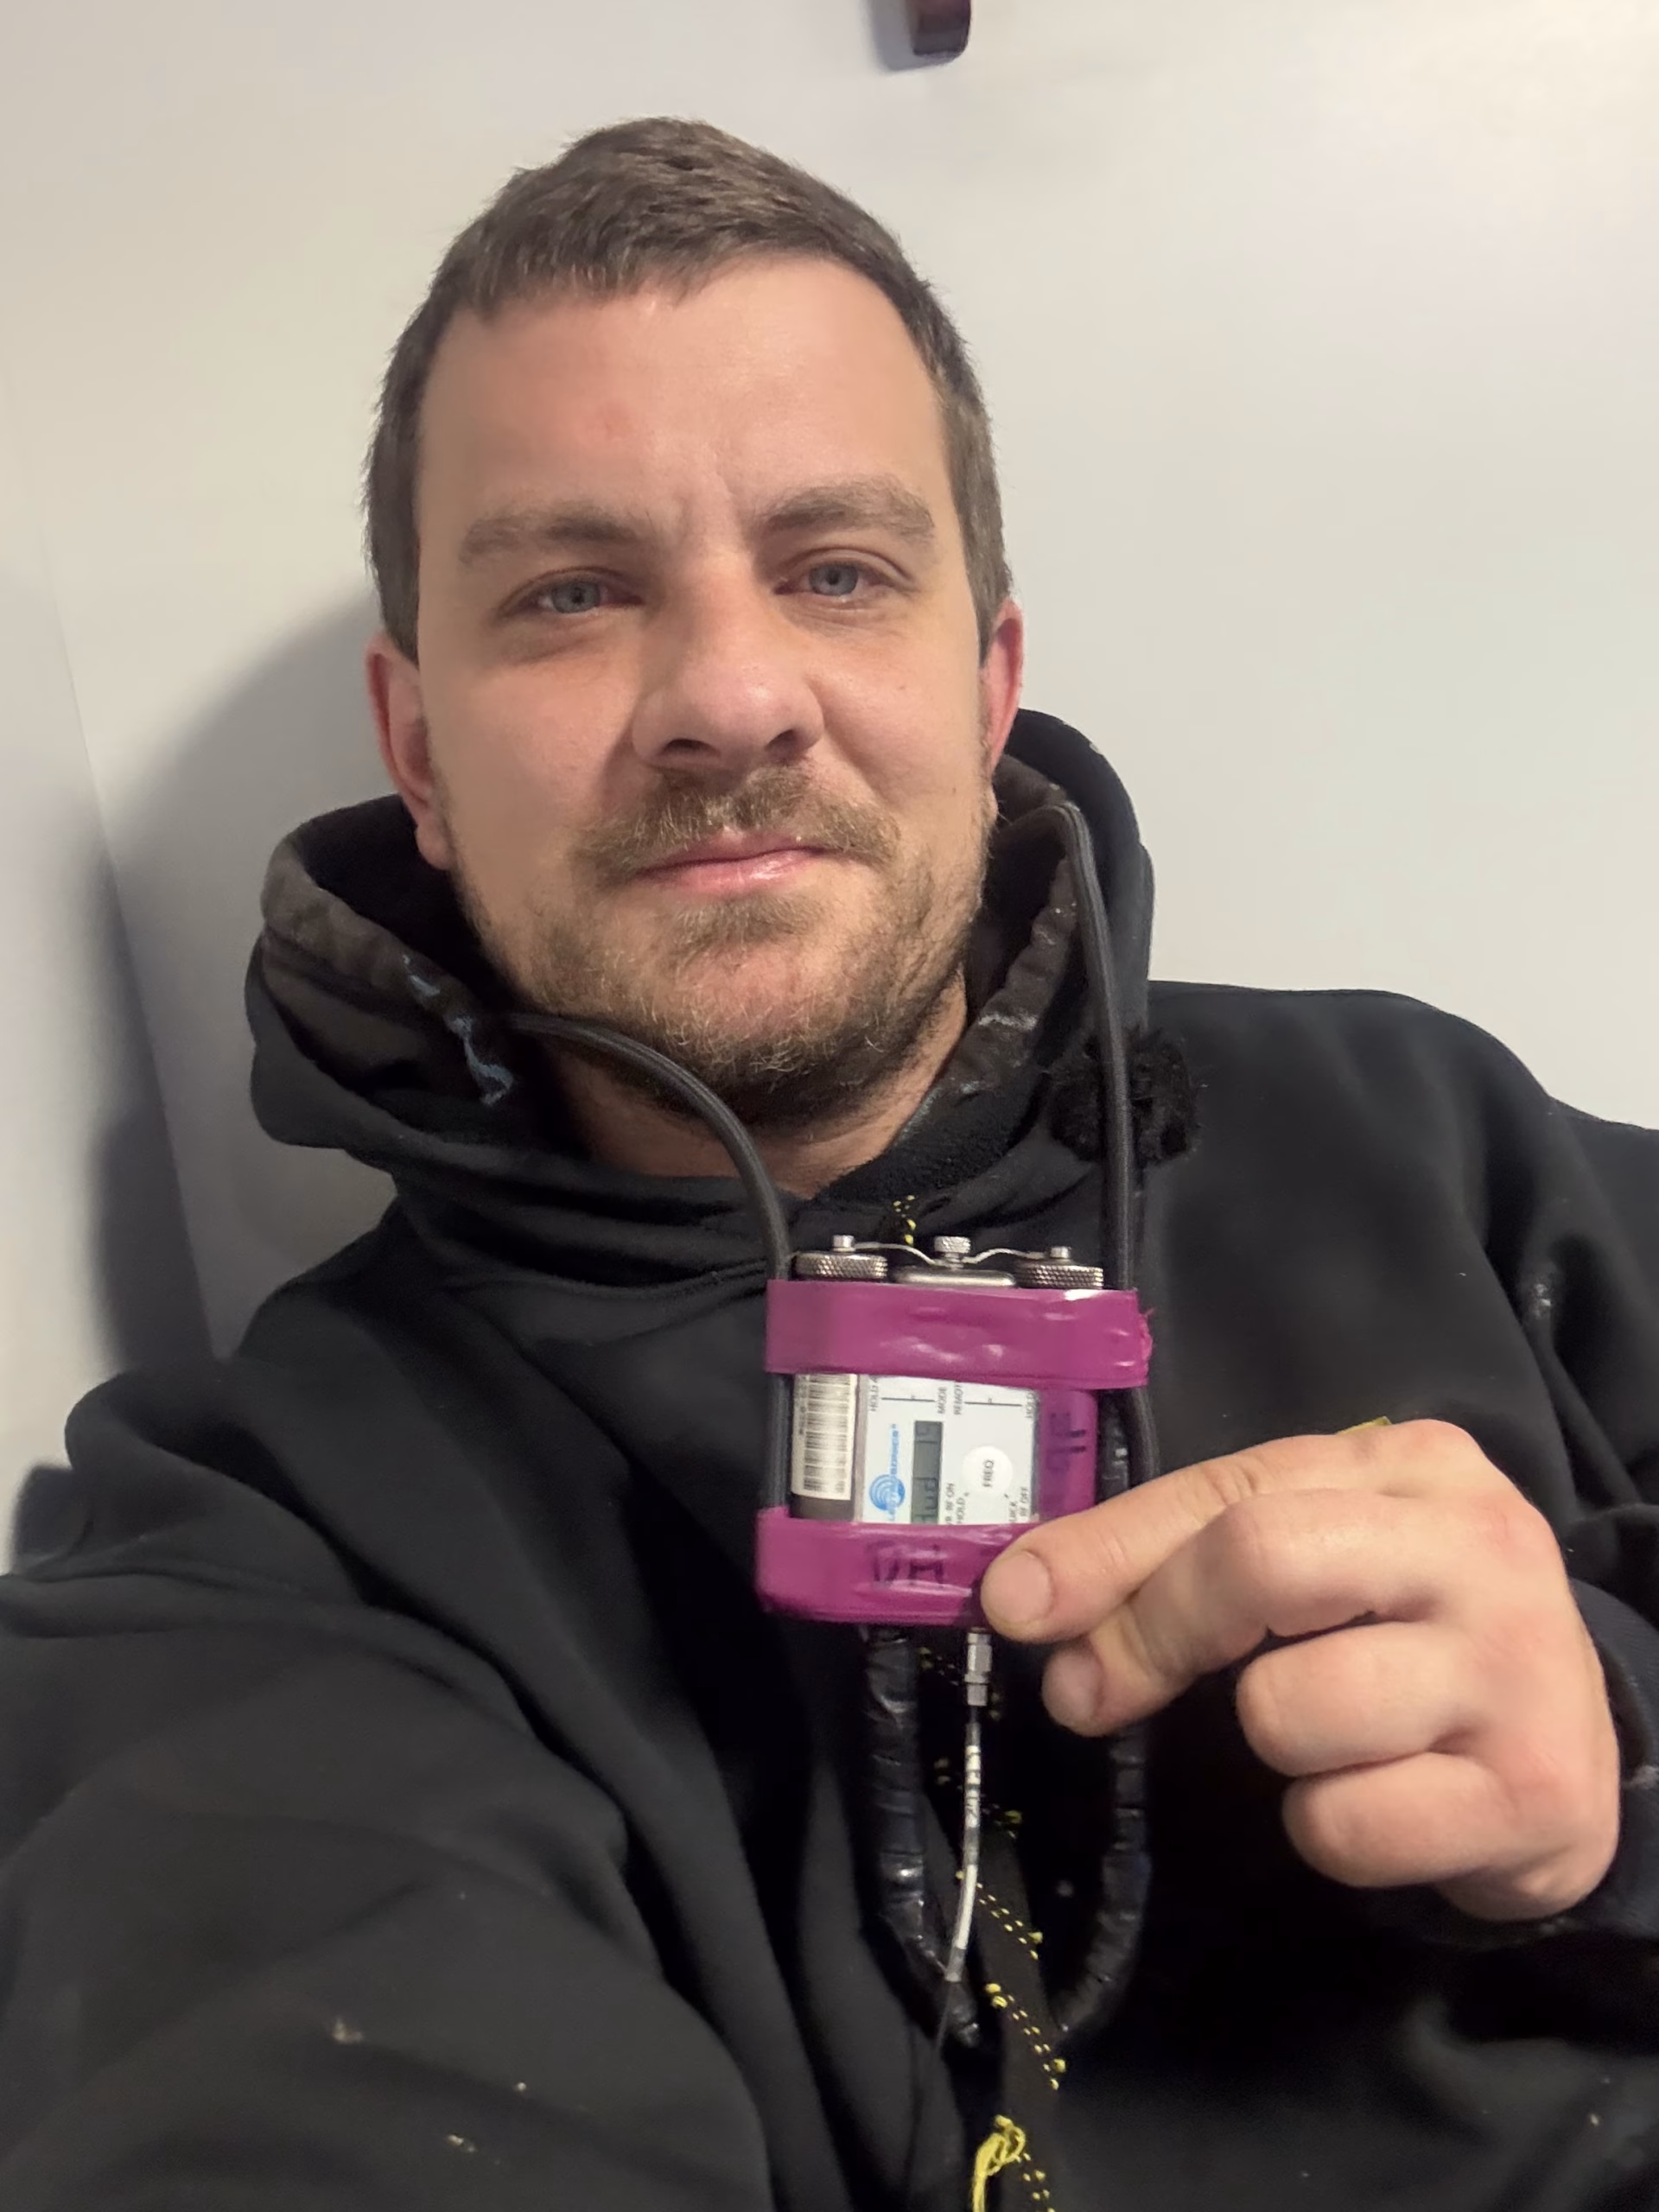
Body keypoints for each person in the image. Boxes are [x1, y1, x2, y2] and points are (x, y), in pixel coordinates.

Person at [3, 116, 1657, 2212]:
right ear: (416, 747)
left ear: (991, 682)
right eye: (574, 590)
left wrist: (1626, 1747)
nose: (726, 694)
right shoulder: (261, 1532)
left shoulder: (1438, 1138)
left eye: (838, 570)